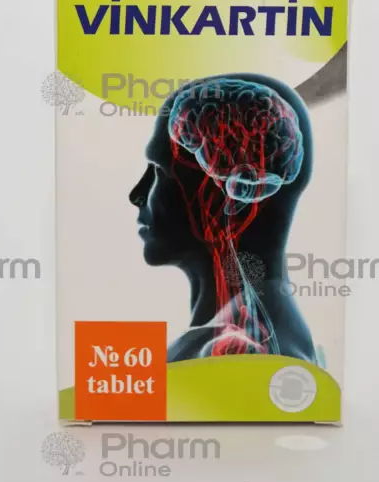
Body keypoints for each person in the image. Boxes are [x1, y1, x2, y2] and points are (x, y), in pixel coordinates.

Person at [129, 73, 316, 363]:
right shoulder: (283, 344)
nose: (136, 195)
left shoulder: (229, 353)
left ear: (229, 193)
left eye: (158, 171)